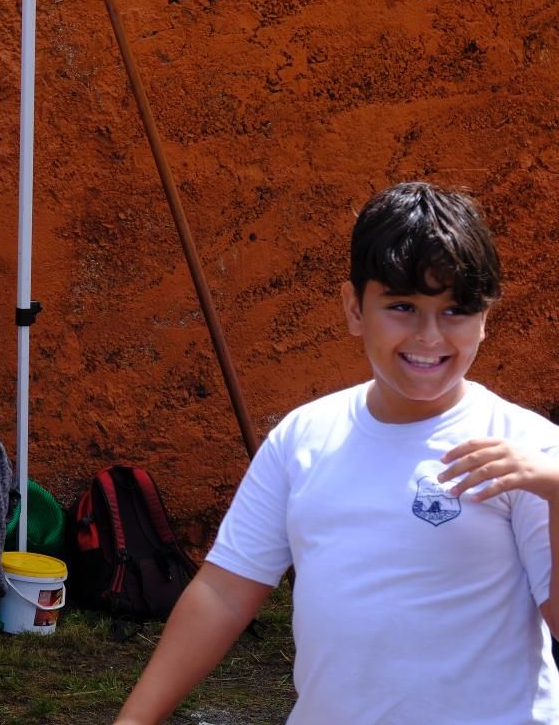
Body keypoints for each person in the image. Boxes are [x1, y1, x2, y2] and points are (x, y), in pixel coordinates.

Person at [113, 181, 559, 725]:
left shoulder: (527, 449)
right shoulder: (304, 436)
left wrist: (556, 493)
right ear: (354, 308)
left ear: (485, 317)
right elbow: (225, 592)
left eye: (455, 312)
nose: (429, 336)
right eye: (402, 306)